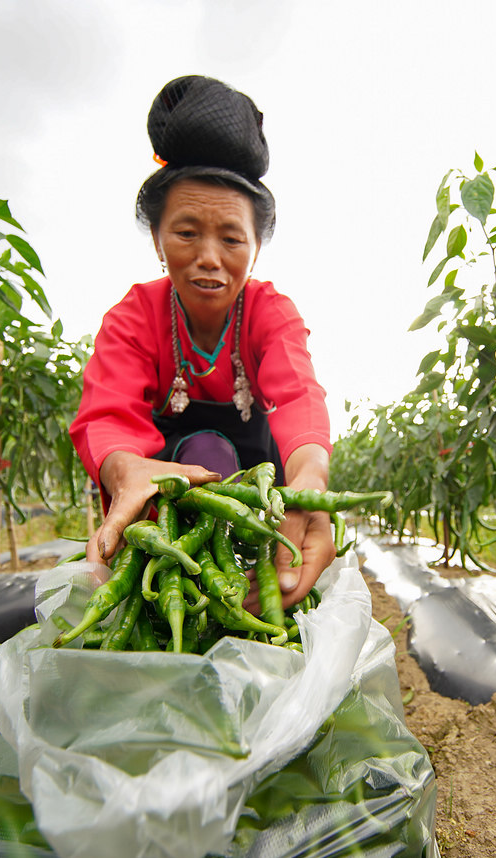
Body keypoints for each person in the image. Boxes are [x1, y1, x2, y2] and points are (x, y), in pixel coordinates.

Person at [70, 75, 336, 612]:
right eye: (187, 232)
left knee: (256, 601)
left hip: (253, 501)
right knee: (158, 595)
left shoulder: (270, 313)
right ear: (156, 239)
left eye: (232, 238)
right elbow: (108, 413)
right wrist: (126, 470)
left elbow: (298, 396)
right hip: (164, 503)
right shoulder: (133, 317)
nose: (210, 257)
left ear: (256, 247)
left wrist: (310, 482)